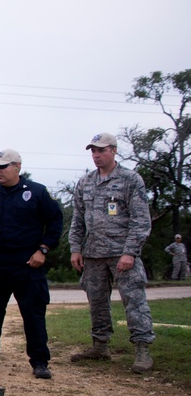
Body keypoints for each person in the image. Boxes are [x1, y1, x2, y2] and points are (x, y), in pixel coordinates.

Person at [0, 149, 63, 379]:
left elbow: (55, 222)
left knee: (33, 314)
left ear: (17, 167)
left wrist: (43, 250)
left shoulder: (36, 192)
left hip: (28, 263)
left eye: (3, 166)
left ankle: (40, 362)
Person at [68, 132, 155, 373]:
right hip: (93, 254)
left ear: (114, 151)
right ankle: (100, 346)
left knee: (134, 301)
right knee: (96, 303)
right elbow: (78, 219)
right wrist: (75, 248)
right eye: (93, 151)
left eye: (101, 150)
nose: (96, 155)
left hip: (122, 255)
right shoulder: (85, 182)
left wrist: (130, 252)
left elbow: (141, 220)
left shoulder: (130, 179)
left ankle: (142, 349)